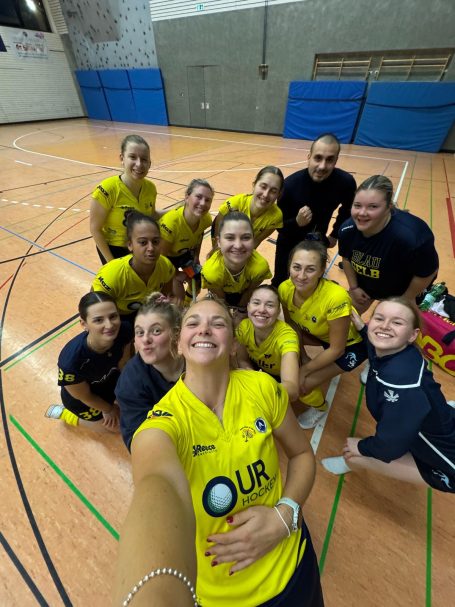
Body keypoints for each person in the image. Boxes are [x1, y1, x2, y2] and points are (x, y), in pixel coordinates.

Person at [113, 296, 323, 607]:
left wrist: (285, 514)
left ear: (234, 344)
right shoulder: (163, 423)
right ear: (178, 345)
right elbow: (155, 484)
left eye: (218, 323)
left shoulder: (263, 387)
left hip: (294, 566)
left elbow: (302, 455)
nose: (204, 329)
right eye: (193, 323)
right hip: (220, 597)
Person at [322, 297, 455, 493]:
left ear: (413, 335)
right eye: (379, 318)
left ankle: (350, 462)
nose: (385, 326)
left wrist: (362, 446)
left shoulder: (398, 381)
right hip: (437, 423)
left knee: (353, 455)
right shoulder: (402, 352)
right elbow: (377, 352)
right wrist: (363, 328)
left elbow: (389, 446)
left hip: (448, 462)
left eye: (397, 322)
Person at [279, 240, 367, 429]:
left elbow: (337, 349)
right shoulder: (285, 289)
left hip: (351, 345)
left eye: (310, 269)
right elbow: (292, 327)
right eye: (296, 267)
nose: (301, 276)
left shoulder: (335, 298)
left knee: (301, 385)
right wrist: (302, 356)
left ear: (321, 271)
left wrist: (305, 369)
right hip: (321, 335)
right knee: (284, 351)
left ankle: (320, 409)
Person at [338, 175, 439, 315]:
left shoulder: (412, 237)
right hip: (366, 286)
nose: (362, 213)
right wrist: (354, 287)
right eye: (357, 205)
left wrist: (407, 298)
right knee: (347, 316)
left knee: (395, 323)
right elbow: (346, 258)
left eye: (373, 206)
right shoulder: (347, 230)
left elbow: (428, 271)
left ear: (389, 207)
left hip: (402, 291)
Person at [272, 133, 356, 287]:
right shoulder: (290, 185)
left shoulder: (345, 183)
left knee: (312, 284)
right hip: (289, 240)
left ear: (336, 160)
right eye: (318, 158)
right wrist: (297, 222)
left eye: (329, 160)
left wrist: (335, 234)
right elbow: (279, 226)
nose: (322, 166)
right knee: (280, 283)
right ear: (309, 157)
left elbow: (347, 209)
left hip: (318, 241)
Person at [45, 292, 132, 430]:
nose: (109, 325)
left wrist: (127, 388)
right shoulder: (71, 363)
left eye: (113, 316)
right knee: (115, 429)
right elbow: (85, 396)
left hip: (108, 381)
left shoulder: (125, 330)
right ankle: (67, 414)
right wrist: (109, 409)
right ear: (84, 324)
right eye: (98, 320)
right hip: (84, 400)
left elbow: (124, 361)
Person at [115, 293, 184, 451]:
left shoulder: (197, 360)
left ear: (176, 333)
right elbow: (138, 441)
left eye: (156, 331)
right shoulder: (130, 382)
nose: (145, 339)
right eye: (139, 332)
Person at [90, 134, 162, 264]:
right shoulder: (107, 189)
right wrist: (111, 263)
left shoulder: (150, 188)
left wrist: (179, 209)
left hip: (139, 247)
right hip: (114, 249)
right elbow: (95, 229)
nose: (139, 164)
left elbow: (151, 215)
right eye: (133, 157)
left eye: (144, 159)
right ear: (122, 158)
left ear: (149, 164)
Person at [92, 212, 176, 319]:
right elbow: (94, 309)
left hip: (146, 314)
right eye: (143, 242)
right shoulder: (112, 274)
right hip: (118, 318)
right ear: (130, 245)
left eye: (155, 241)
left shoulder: (165, 266)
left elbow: (166, 297)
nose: (151, 248)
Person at [235, 284, 300, 402]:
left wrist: (260, 384)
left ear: (278, 311)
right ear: (248, 306)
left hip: (279, 374)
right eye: (256, 303)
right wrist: (251, 375)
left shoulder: (287, 336)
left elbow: (292, 390)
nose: (261, 310)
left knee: (305, 393)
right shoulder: (243, 328)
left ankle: (320, 405)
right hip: (257, 367)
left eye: (270, 305)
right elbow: (242, 360)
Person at [201, 212, 272, 319]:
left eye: (246, 237)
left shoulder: (260, 267)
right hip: (221, 294)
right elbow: (221, 300)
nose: (238, 246)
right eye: (230, 238)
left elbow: (249, 292)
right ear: (219, 241)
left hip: (244, 292)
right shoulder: (211, 272)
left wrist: (241, 310)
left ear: (253, 240)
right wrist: (227, 316)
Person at [160, 179, 214, 303]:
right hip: (167, 260)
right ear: (187, 197)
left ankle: (187, 305)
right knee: (177, 296)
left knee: (198, 280)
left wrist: (196, 256)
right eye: (198, 197)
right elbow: (161, 258)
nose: (203, 203)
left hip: (184, 255)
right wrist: (175, 274)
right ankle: (180, 306)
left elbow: (199, 235)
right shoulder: (172, 223)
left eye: (207, 200)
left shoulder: (206, 219)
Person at [210, 166, 284, 252]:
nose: (266, 194)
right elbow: (218, 241)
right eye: (263, 187)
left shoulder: (276, 217)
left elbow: (255, 243)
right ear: (254, 185)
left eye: (273, 191)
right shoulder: (233, 204)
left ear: (278, 194)